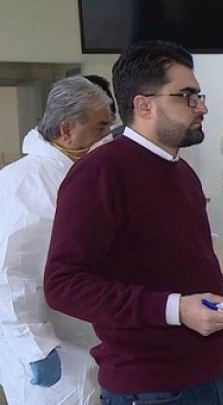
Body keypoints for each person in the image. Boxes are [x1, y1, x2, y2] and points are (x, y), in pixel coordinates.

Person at [44, 41, 223, 405]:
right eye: (187, 96)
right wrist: (175, 309)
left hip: (208, 378)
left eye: (199, 96)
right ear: (143, 105)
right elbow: (63, 285)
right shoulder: (101, 173)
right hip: (151, 388)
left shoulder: (183, 174)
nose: (201, 107)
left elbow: (199, 274)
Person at [0, 76, 114, 404]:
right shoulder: (24, 184)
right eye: (101, 127)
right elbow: (10, 275)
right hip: (50, 353)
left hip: (93, 343)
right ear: (67, 130)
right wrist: (35, 347)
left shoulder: (83, 175)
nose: (108, 136)